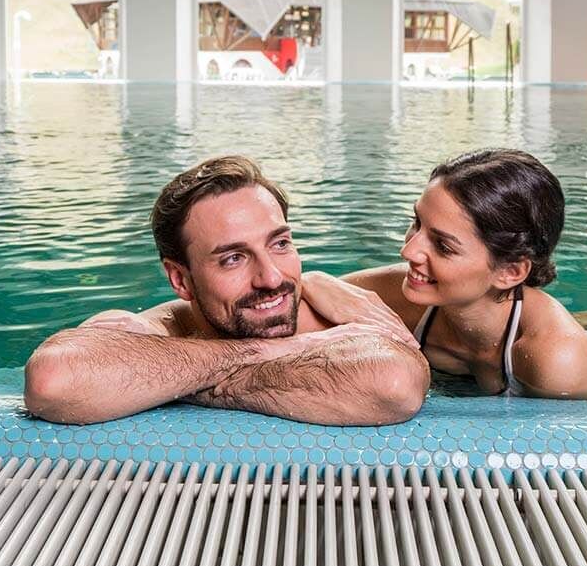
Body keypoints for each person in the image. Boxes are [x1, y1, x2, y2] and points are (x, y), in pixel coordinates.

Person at [23, 155, 431, 426]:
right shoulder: (154, 330)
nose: (271, 278)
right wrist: (266, 352)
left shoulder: (333, 314)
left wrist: (181, 383)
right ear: (180, 279)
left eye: (280, 244)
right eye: (233, 258)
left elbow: (394, 383)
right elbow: (53, 380)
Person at [303, 149, 587, 399]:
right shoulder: (401, 293)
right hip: (508, 320)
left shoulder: (557, 363)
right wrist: (313, 280)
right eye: (416, 223)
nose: (408, 251)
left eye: (443, 246)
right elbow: (293, 300)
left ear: (510, 271)